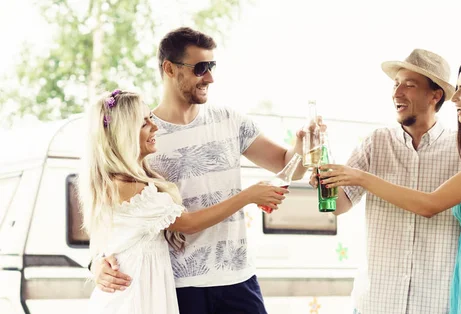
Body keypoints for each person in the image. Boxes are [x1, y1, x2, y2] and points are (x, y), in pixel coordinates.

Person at [89, 27, 317, 314]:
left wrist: (301, 143)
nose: (209, 77)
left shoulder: (229, 120)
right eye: (200, 68)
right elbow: (108, 216)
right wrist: (96, 262)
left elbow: (289, 168)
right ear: (169, 69)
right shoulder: (138, 136)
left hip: (238, 278)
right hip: (176, 286)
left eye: (211, 66)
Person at [308, 49, 461, 314]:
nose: (397, 92)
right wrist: (325, 177)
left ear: (435, 96)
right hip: (379, 300)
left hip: (439, 300)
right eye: (395, 84)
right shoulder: (376, 143)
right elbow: (337, 205)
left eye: (409, 85)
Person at [80, 90, 287, 314]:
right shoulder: (128, 187)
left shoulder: (131, 181)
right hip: (132, 295)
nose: (155, 127)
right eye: (144, 124)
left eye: (151, 118)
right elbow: (189, 223)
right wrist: (248, 195)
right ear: (124, 135)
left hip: (145, 289)